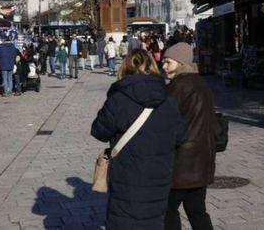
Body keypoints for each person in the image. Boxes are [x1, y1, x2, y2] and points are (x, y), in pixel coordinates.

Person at [91, 49, 185, 230]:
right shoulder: (168, 99)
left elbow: (99, 131)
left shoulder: (118, 99)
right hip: (159, 177)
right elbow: (181, 135)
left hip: (127, 177)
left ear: (125, 68)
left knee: (124, 222)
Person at [161, 42, 216, 230]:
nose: (164, 66)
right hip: (202, 160)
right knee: (197, 210)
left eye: (168, 62)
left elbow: (166, 125)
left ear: (181, 62)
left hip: (181, 164)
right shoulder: (201, 83)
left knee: (167, 210)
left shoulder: (177, 86)